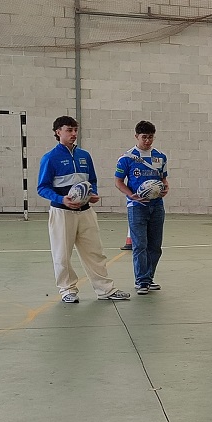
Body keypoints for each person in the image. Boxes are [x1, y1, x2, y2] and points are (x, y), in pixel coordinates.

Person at [37, 116, 131, 304]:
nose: (73, 134)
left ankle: (105, 289)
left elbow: (92, 180)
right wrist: (61, 198)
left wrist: (92, 194)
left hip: (86, 213)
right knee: (62, 254)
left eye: (75, 130)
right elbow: (42, 187)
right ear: (58, 132)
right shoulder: (50, 158)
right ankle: (67, 289)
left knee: (94, 252)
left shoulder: (84, 156)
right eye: (69, 130)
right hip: (62, 213)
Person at [114, 121, 169, 295]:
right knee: (140, 245)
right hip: (137, 207)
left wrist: (165, 188)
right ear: (136, 136)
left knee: (155, 246)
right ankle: (141, 281)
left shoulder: (160, 157)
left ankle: (149, 278)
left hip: (157, 206)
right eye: (144, 137)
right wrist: (131, 195)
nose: (147, 141)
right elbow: (118, 182)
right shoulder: (127, 158)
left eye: (150, 137)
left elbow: (164, 179)